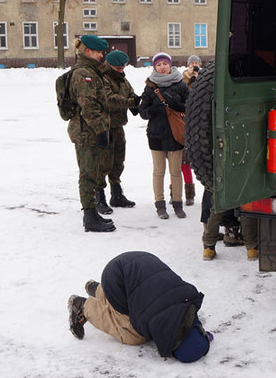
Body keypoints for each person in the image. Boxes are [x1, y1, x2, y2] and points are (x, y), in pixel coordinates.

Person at [67, 251, 213, 363]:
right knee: (131, 334)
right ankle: (83, 306)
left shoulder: (189, 301)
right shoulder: (150, 320)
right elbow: (139, 322)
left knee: (139, 294)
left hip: (137, 263)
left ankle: (100, 290)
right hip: (118, 277)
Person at [67, 35, 115, 233]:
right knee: (87, 174)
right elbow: (89, 107)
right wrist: (101, 130)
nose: (102, 56)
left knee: (94, 172)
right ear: (88, 52)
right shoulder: (83, 75)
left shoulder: (92, 71)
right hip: (87, 132)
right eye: (99, 52)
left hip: (91, 131)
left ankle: (92, 211)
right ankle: (89, 216)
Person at [138, 52, 189, 219]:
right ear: (154, 67)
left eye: (164, 64)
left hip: (176, 134)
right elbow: (143, 112)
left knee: (176, 171)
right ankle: (160, 205)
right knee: (158, 171)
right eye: (158, 65)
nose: (162, 67)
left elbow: (190, 106)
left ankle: (178, 204)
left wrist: (177, 105)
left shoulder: (181, 84)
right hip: (156, 135)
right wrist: (154, 110)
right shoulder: (150, 87)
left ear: (170, 65)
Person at [98, 50, 140, 211]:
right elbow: (109, 100)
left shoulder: (123, 80)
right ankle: (99, 197)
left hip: (118, 126)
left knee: (118, 161)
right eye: (118, 68)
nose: (121, 71)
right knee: (103, 163)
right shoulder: (103, 79)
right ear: (109, 66)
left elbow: (131, 94)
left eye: (123, 68)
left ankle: (116, 194)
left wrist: (139, 104)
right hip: (104, 127)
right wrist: (131, 102)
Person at [178, 54, 202, 206]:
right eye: (191, 63)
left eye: (196, 63)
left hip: (197, 125)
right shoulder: (181, 79)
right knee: (181, 161)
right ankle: (182, 193)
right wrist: (188, 78)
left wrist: (199, 77)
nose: (193, 65)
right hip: (182, 124)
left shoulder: (203, 78)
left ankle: (197, 193)